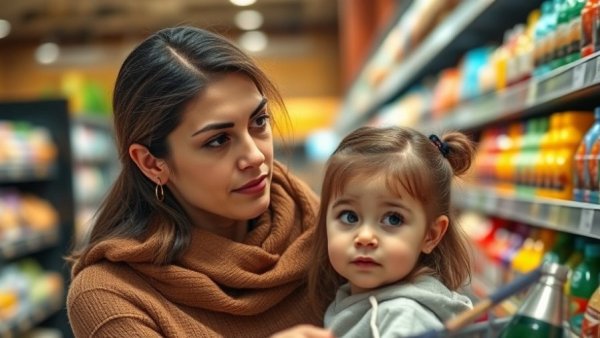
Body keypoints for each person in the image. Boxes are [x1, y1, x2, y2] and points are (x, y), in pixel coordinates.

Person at [66, 26, 333, 337]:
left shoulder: (330, 227)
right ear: (152, 163)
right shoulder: (111, 295)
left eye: (259, 122)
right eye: (218, 140)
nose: (256, 156)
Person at [307, 126, 475, 337]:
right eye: (349, 216)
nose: (365, 237)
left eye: (393, 219)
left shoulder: (404, 320)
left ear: (431, 235)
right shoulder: (351, 297)